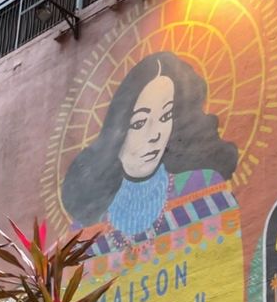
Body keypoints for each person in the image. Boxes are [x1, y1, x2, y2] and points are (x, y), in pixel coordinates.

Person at [61, 51, 238, 236]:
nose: (155, 135)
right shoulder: (88, 223)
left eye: (165, 116)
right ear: (116, 131)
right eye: (139, 122)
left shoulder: (205, 185)